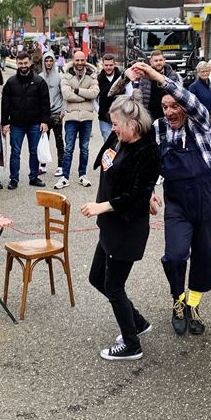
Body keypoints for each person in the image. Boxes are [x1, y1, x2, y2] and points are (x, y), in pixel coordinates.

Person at [133, 61, 211, 337]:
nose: (169, 111)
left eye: (174, 106)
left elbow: (189, 99)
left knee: (205, 255)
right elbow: (149, 164)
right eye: (165, 107)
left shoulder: (201, 123)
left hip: (206, 200)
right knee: (175, 255)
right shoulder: (159, 129)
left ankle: (193, 304)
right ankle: (178, 300)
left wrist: (156, 76)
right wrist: (148, 191)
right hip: (177, 203)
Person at [81, 94, 160, 360]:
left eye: (116, 124)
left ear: (133, 125)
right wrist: (146, 191)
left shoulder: (147, 151)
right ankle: (138, 322)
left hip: (127, 229)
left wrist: (103, 206)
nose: (112, 128)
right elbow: (130, 181)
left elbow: (135, 195)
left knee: (114, 287)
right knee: (96, 278)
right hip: (110, 226)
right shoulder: (119, 139)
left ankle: (131, 344)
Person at [1, 52, 50, 190]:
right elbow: (5, 104)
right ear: (17, 63)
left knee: (34, 152)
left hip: (35, 123)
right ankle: (14, 179)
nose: (23, 66)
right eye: (20, 63)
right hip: (16, 124)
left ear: (30, 63)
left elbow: (45, 103)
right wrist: (5, 122)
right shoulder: (11, 82)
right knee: (15, 152)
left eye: (25, 63)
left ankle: (33, 177)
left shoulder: (39, 81)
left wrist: (45, 121)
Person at [55, 50, 99, 189]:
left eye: (82, 60)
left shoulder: (92, 74)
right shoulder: (66, 74)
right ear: (73, 60)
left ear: (85, 60)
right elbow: (66, 95)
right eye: (77, 60)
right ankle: (65, 177)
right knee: (69, 148)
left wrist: (77, 90)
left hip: (86, 118)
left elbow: (95, 93)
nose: (79, 63)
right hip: (71, 117)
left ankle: (82, 175)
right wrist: (85, 96)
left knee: (84, 148)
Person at [108, 50, 179, 121]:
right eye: (156, 61)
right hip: (149, 117)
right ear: (151, 62)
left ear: (164, 60)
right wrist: (125, 76)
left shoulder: (173, 75)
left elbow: (180, 97)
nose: (158, 63)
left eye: (160, 60)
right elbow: (112, 92)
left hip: (168, 116)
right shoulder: (144, 75)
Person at [39, 53, 65, 178]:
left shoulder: (59, 77)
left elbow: (64, 94)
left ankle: (60, 166)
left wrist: (63, 110)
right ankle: (42, 165)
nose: (48, 63)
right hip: (44, 114)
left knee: (59, 140)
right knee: (43, 140)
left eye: (50, 61)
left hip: (56, 113)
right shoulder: (40, 77)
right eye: (46, 61)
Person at [96, 54, 122, 141]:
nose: (108, 67)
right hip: (104, 118)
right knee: (107, 142)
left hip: (120, 117)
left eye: (111, 65)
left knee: (120, 141)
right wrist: (99, 110)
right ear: (102, 65)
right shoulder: (98, 79)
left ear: (115, 64)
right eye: (106, 65)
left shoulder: (122, 77)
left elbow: (130, 94)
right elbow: (94, 98)